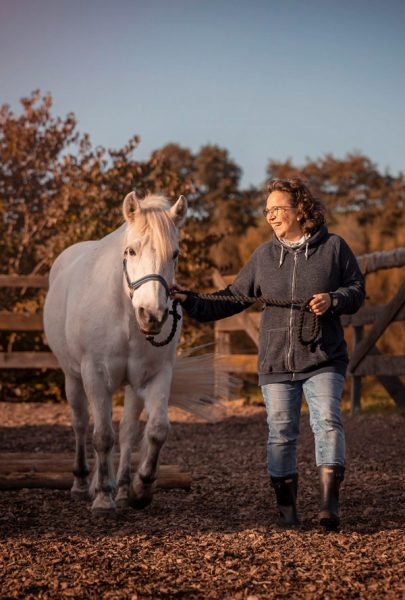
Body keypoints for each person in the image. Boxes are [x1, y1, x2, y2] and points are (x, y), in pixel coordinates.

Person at [172, 177, 365, 531]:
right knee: (280, 432)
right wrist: (193, 301)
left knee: (326, 423)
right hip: (276, 361)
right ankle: (287, 511)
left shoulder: (334, 247)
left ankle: (328, 506)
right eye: (267, 211)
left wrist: (334, 299)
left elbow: (356, 289)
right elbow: (234, 296)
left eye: (277, 209)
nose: (271, 216)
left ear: (300, 210)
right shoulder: (264, 256)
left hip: (323, 356)